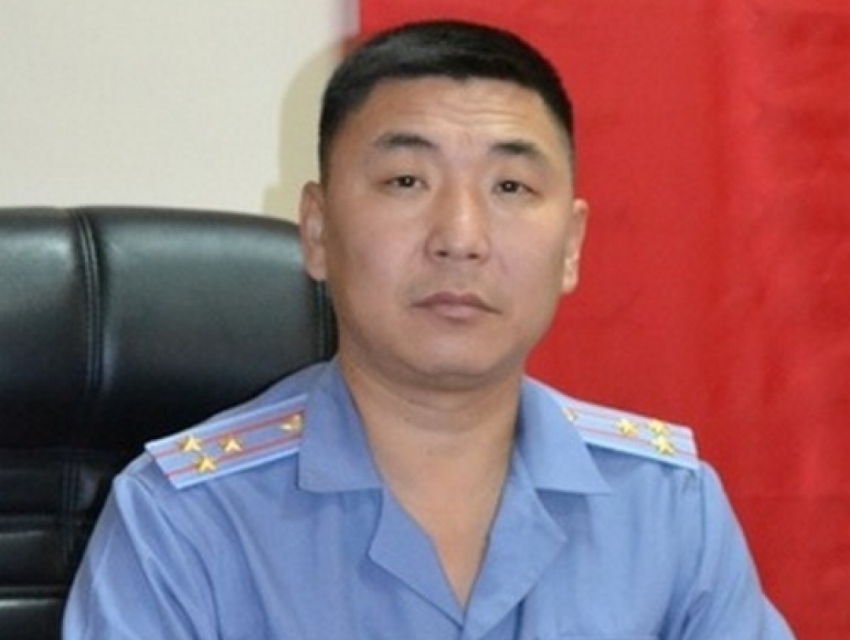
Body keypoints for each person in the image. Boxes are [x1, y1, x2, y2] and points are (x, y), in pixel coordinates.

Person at [63, 19, 795, 639]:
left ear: (572, 247)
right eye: (406, 181)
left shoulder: (667, 507)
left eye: (510, 187)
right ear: (316, 232)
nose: (461, 237)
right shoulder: (184, 519)